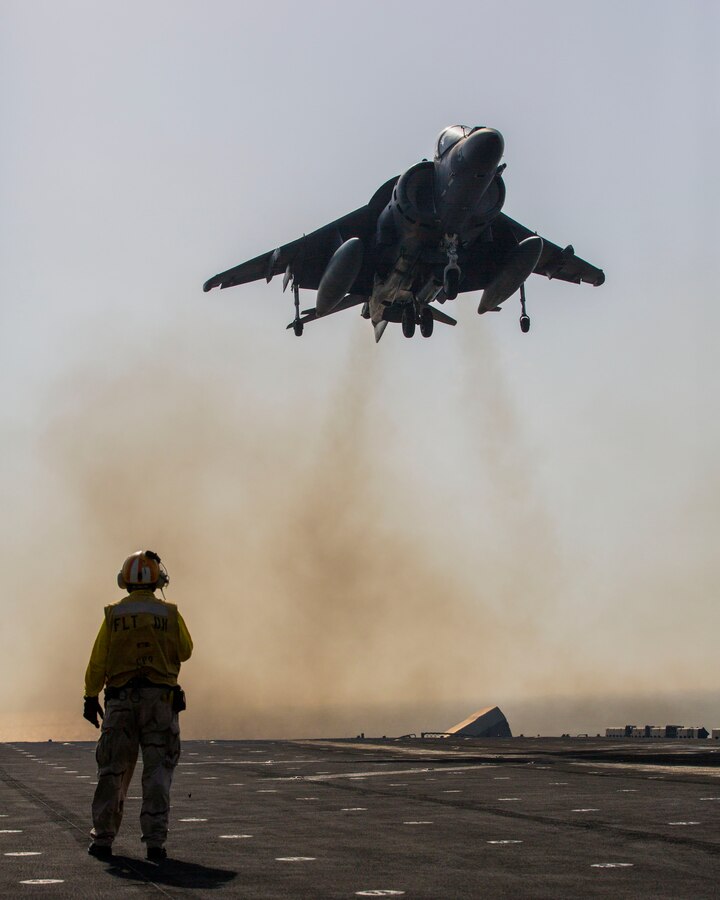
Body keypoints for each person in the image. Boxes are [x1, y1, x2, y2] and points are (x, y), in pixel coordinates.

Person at [83, 549, 193, 863]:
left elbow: (97, 661)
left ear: (125, 582)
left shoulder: (114, 614)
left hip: (120, 702)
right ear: (158, 580)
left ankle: (103, 840)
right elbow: (185, 651)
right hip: (159, 702)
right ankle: (155, 844)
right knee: (158, 772)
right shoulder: (170, 613)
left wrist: (90, 697)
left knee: (112, 772)